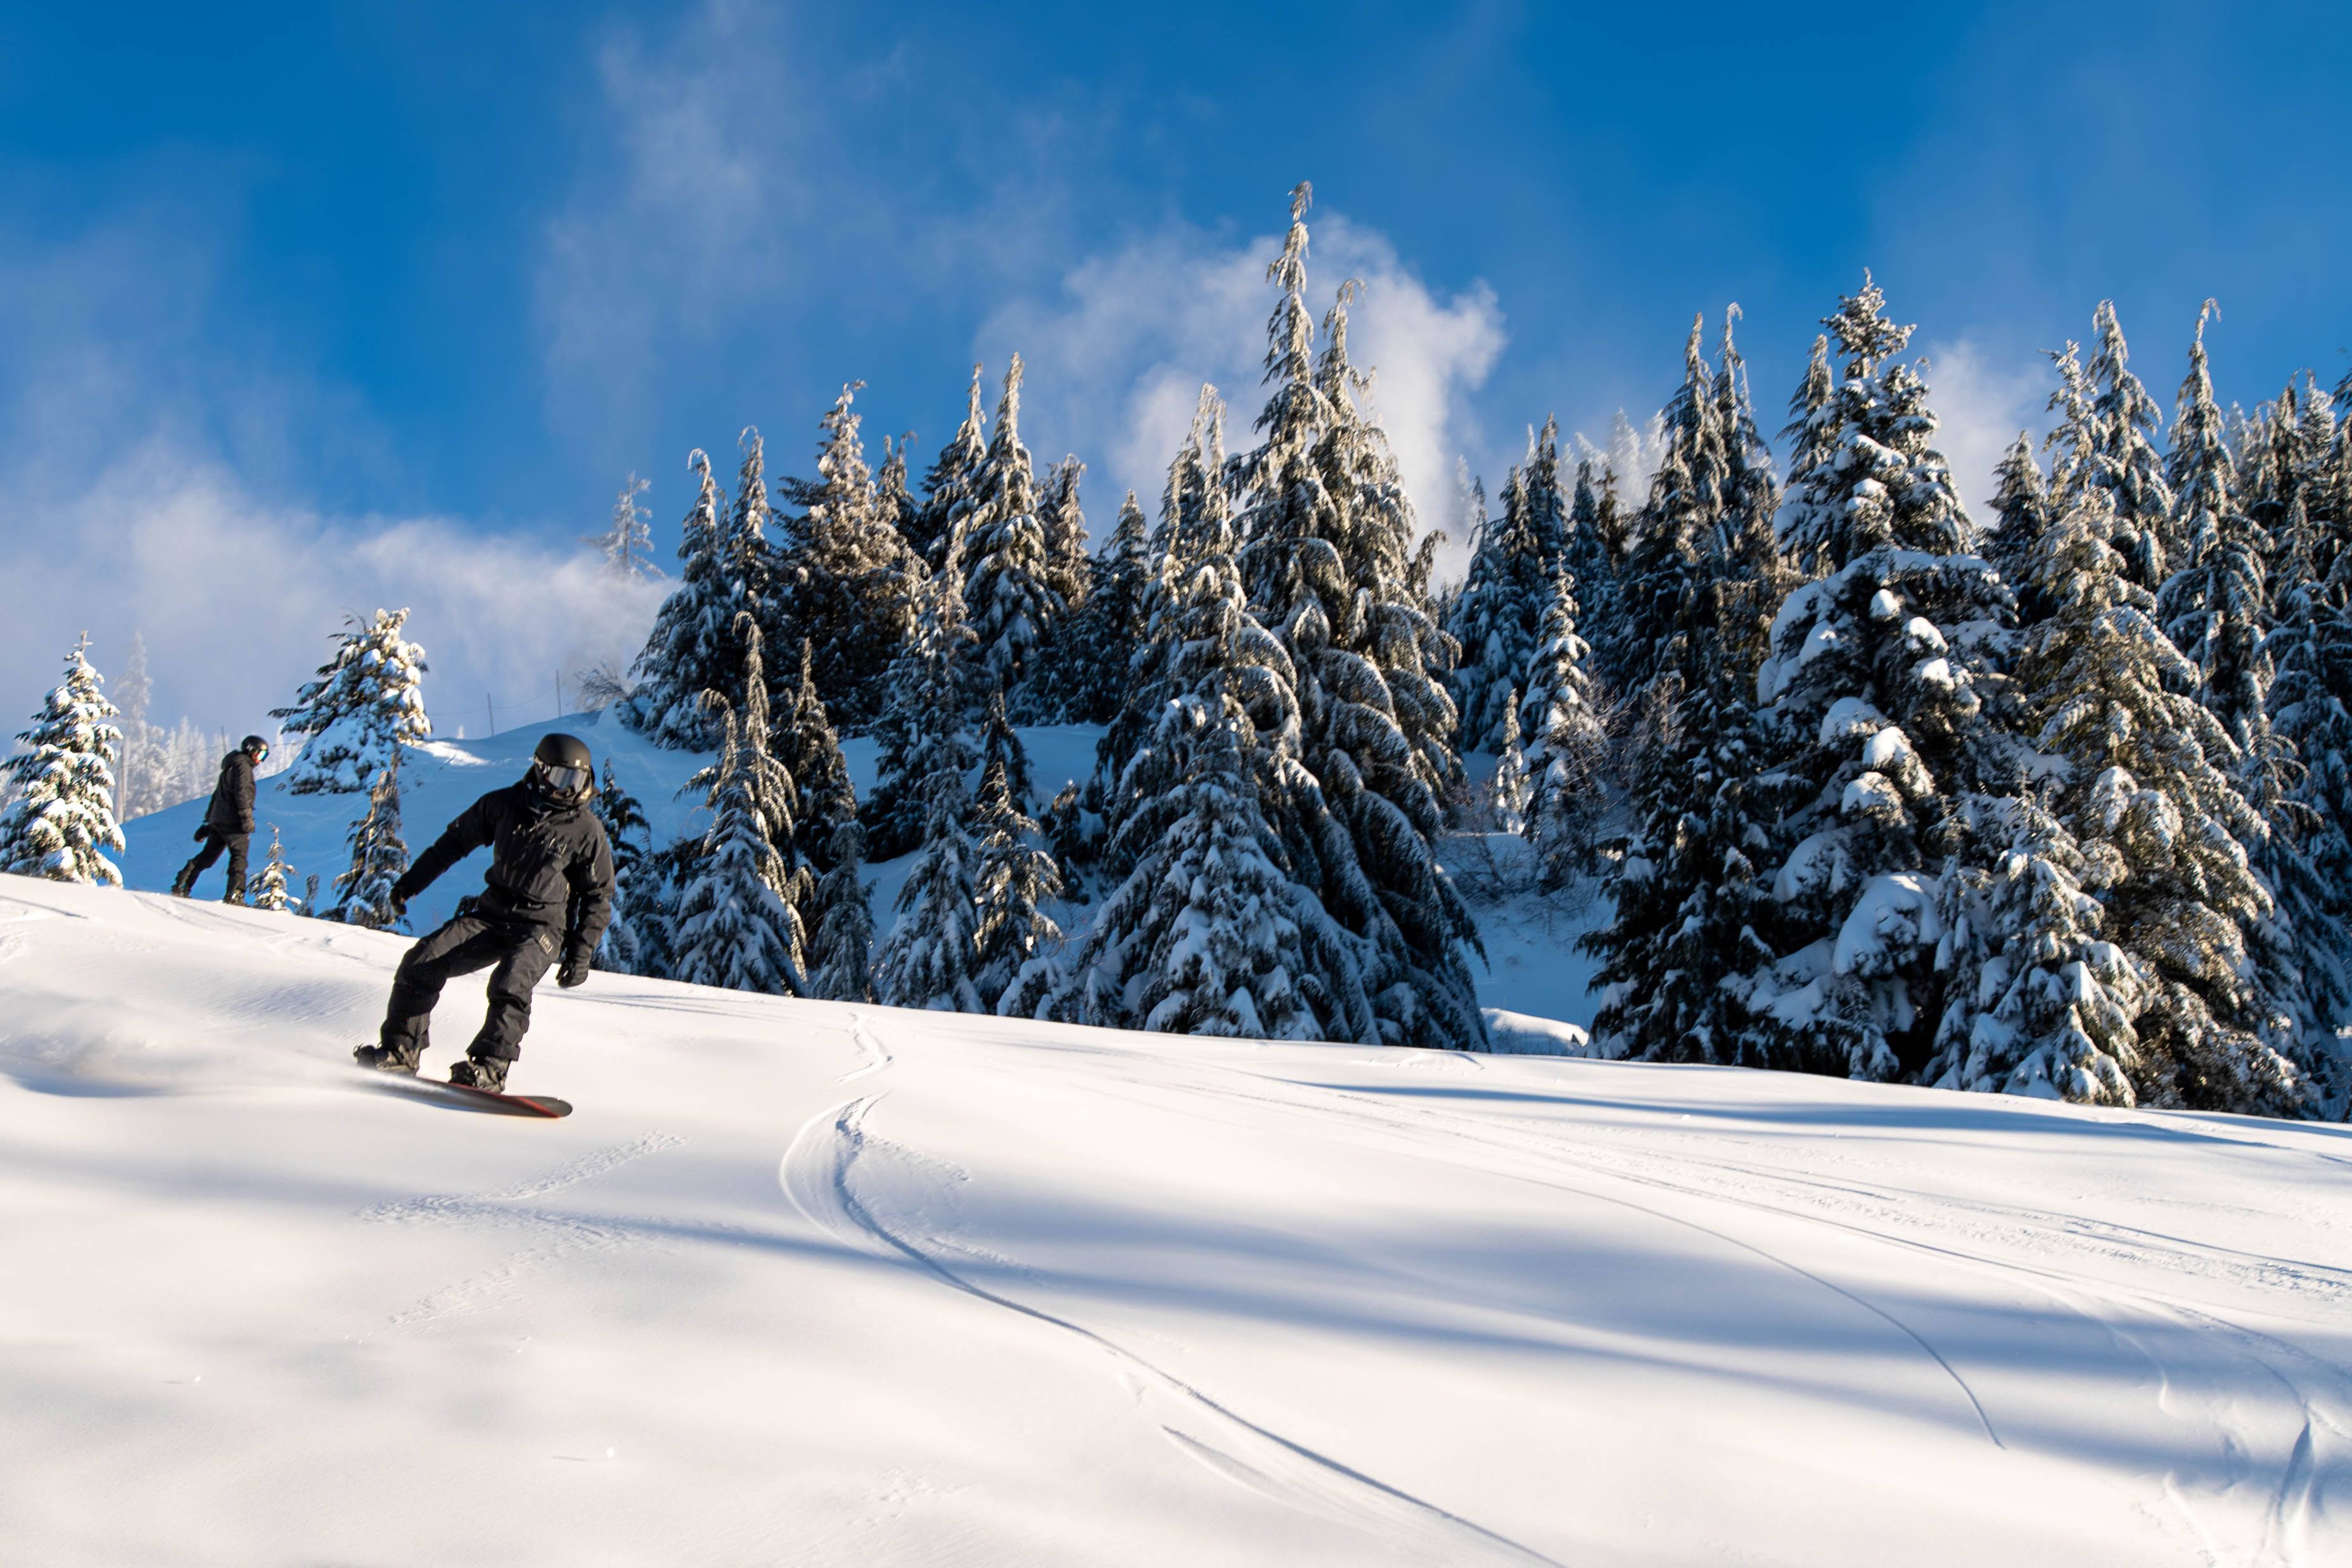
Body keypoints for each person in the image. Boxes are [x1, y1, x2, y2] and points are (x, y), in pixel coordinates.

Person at [354, 733, 615, 1093]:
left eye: (579, 781)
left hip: (541, 927)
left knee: (511, 982)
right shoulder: (503, 805)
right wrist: (409, 884)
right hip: (493, 916)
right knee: (422, 960)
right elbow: (453, 843)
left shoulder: (586, 830)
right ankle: (402, 1051)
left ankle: (490, 1068)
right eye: (562, 779)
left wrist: (580, 954)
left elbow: (598, 895)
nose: (571, 791)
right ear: (540, 771)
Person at [172, 734, 269, 903]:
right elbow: (242, 793)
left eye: (264, 757)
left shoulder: (231, 766)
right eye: (260, 755)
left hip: (219, 821)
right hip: (234, 822)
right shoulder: (243, 767)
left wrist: (207, 823)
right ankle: (235, 894)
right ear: (250, 750)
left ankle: (183, 885)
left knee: (208, 857)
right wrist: (246, 819)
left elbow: (217, 796)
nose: (261, 760)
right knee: (239, 857)